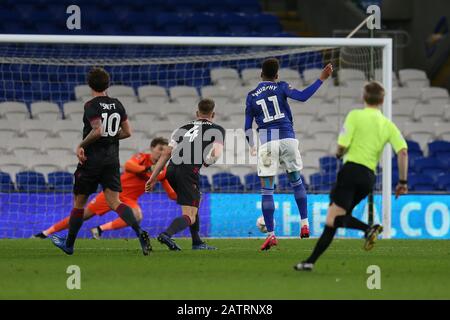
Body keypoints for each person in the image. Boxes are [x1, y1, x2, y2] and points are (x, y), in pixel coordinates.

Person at [294, 81, 409, 271]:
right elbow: (403, 152)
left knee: (334, 219)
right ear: (382, 100)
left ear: (364, 97)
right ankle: (310, 262)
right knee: (335, 220)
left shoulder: (355, 116)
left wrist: (339, 153)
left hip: (351, 171)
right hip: (369, 178)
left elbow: (342, 144)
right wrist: (403, 182)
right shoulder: (388, 125)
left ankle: (368, 229)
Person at [50, 67, 151, 255]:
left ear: (89, 85)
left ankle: (69, 245)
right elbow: (128, 132)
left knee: (79, 204)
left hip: (91, 160)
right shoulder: (118, 104)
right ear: (108, 84)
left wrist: (81, 144)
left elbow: (98, 130)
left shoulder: (91, 105)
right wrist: (111, 139)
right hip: (112, 160)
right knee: (115, 202)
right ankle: (139, 233)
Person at [245, 57, 333, 250]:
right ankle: (304, 225)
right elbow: (302, 97)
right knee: (296, 181)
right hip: (287, 138)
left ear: (261, 75)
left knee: (267, 191)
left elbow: (247, 127)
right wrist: (321, 79)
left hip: (268, 141)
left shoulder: (251, 95)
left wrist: (252, 144)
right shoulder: (281, 86)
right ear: (276, 75)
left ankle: (271, 235)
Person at [34, 137, 176, 239]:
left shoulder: (162, 170)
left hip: (129, 199)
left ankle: (100, 229)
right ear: (152, 148)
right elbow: (128, 166)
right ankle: (46, 233)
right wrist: (147, 168)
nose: (161, 153)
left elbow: (170, 193)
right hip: (112, 193)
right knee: (82, 215)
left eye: (164, 151)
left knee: (137, 216)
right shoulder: (142, 157)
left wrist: (187, 196)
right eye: (159, 149)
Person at [145, 98, 225, 251]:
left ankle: (197, 242)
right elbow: (216, 152)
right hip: (188, 171)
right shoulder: (217, 129)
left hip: (171, 169)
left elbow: (166, 153)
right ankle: (167, 234)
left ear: (197, 113)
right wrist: (207, 162)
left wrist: (153, 176)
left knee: (194, 203)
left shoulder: (182, 127)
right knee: (190, 214)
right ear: (213, 114)